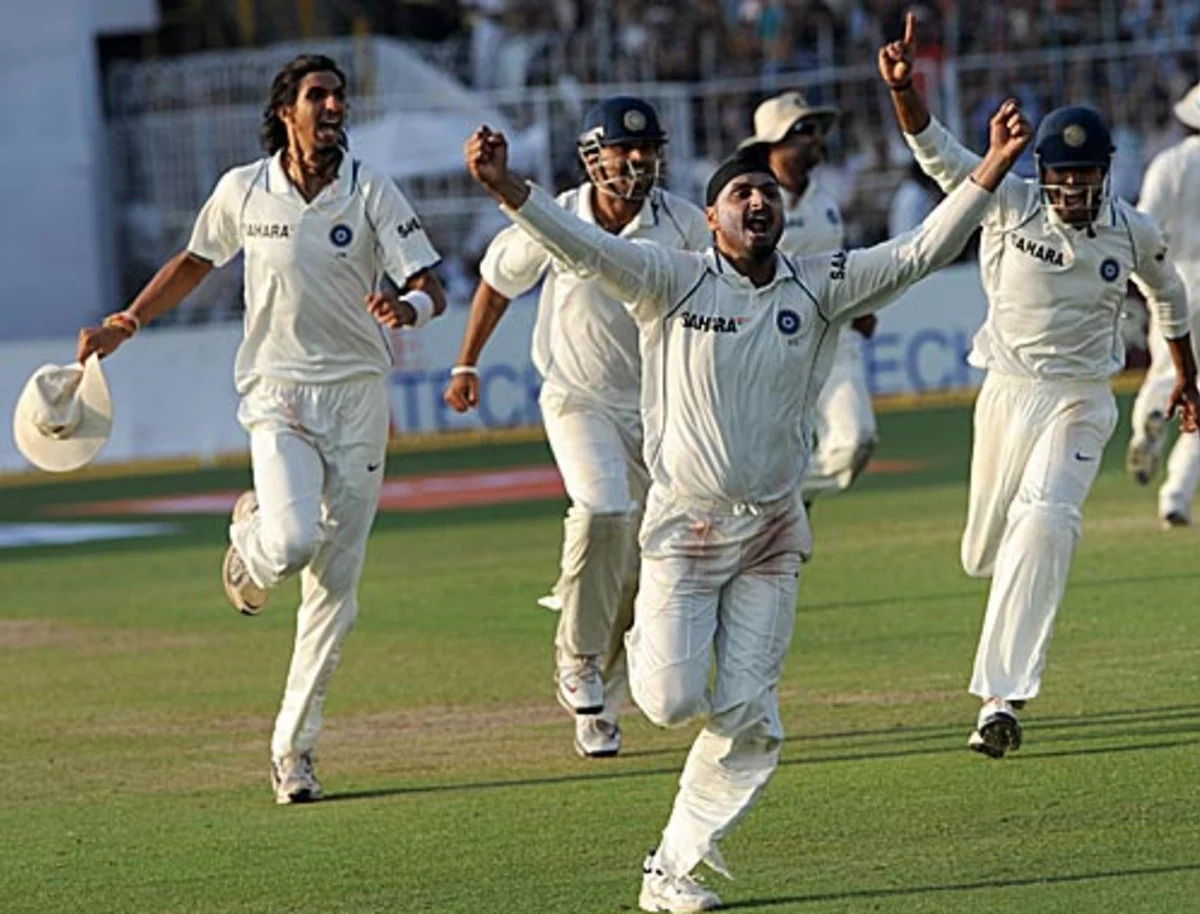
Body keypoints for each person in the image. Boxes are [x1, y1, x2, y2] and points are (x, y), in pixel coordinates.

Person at [465, 95, 1028, 912]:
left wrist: (990, 171)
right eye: (741, 193)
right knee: (670, 701)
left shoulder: (821, 284)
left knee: (752, 717)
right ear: (712, 217)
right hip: (685, 534)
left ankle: (675, 867)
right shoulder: (669, 279)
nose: (759, 200)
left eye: (766, 193)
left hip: (770, 535)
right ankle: (602, 662)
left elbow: (914, 253)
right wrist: (504, 187)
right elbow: (580, 244)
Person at [76, 54, 447, 803]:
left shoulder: (370, 188)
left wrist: (410, 311)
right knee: (292, 541)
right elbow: (194, 260)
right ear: (287, 111)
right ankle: (249, 536)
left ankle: (294, 751)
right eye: (319, 95)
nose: (334, 106)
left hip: (357, 398)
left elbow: (426, 281)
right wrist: (127, 321)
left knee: (334, 592)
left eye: (341, 95)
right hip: (278, 391)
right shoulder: (244, 188)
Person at [879, 14, 1200, 760]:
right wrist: (904, 89)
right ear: (1045, 169)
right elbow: (933, 152)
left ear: (1106, 174)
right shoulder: (1007, 198)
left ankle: (1002, 698)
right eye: (1065, 174)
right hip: (1007, 391)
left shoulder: (1132, 228)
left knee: (1049, 517)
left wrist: (1187, 380)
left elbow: (1171, 299)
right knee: (985, 548)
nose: (1076, 187)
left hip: (1083, 400)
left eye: (1088, 176)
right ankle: (1001, 622)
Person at [444, 97, 710, 759]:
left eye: (647, 150)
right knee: (602, 512)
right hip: (578, 399)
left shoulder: (681, 223)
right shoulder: (553, 218)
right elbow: (497, 283)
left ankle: (600, 702)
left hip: (660, 411)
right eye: (624, 151)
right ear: (594, 158)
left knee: (642, 566)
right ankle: (578, 657)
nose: (638, 162)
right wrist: (466, 360)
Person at [741, 91, 880, 504]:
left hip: (833, 338)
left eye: (817, 130)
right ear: (773, 144)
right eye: (803, 131)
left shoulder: (825, 195)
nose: (816, 138)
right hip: (771, 346)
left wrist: (859, 305)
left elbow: (834, 264)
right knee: (763, 456)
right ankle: (778, 518)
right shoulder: (747, 200)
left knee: (856, 440)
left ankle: (780, 505)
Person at [1126, 79, 1200, 527]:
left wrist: (1147, 280)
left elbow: (1144, 224)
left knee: (1165, 371)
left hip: (1175, 279)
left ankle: (1149, 423)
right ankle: (1176, 495)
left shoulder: (1170, 163)